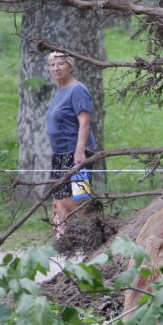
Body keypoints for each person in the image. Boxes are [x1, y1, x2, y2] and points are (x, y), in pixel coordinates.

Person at [46, 51, 97, 238]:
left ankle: (87, 238)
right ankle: (63, 241)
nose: (56, 68)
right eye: (52, 65)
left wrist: (79, 152)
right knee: (59, 198)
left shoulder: (78, 89)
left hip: (76, 153)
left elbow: (84, 121)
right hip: (59, 154)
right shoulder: (60, 91)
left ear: (70, 66)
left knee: (77, 198)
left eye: (60, 64)